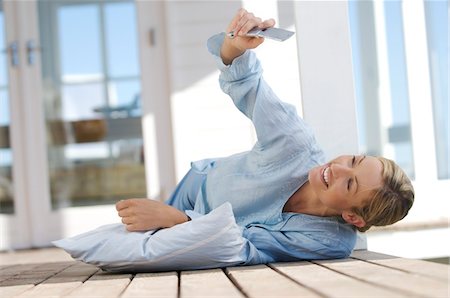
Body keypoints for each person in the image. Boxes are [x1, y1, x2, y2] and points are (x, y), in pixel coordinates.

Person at [116, 9, 414, 263]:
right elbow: (248, 84)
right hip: (197, 192)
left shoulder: (330, 242)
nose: (337, 168)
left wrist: (179, 223)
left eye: (349, 183)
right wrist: (236, 47)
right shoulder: (294, 143)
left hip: (199, 230)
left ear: (353, 218)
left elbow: (248, 247)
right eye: (353, 159)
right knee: (123, 246)